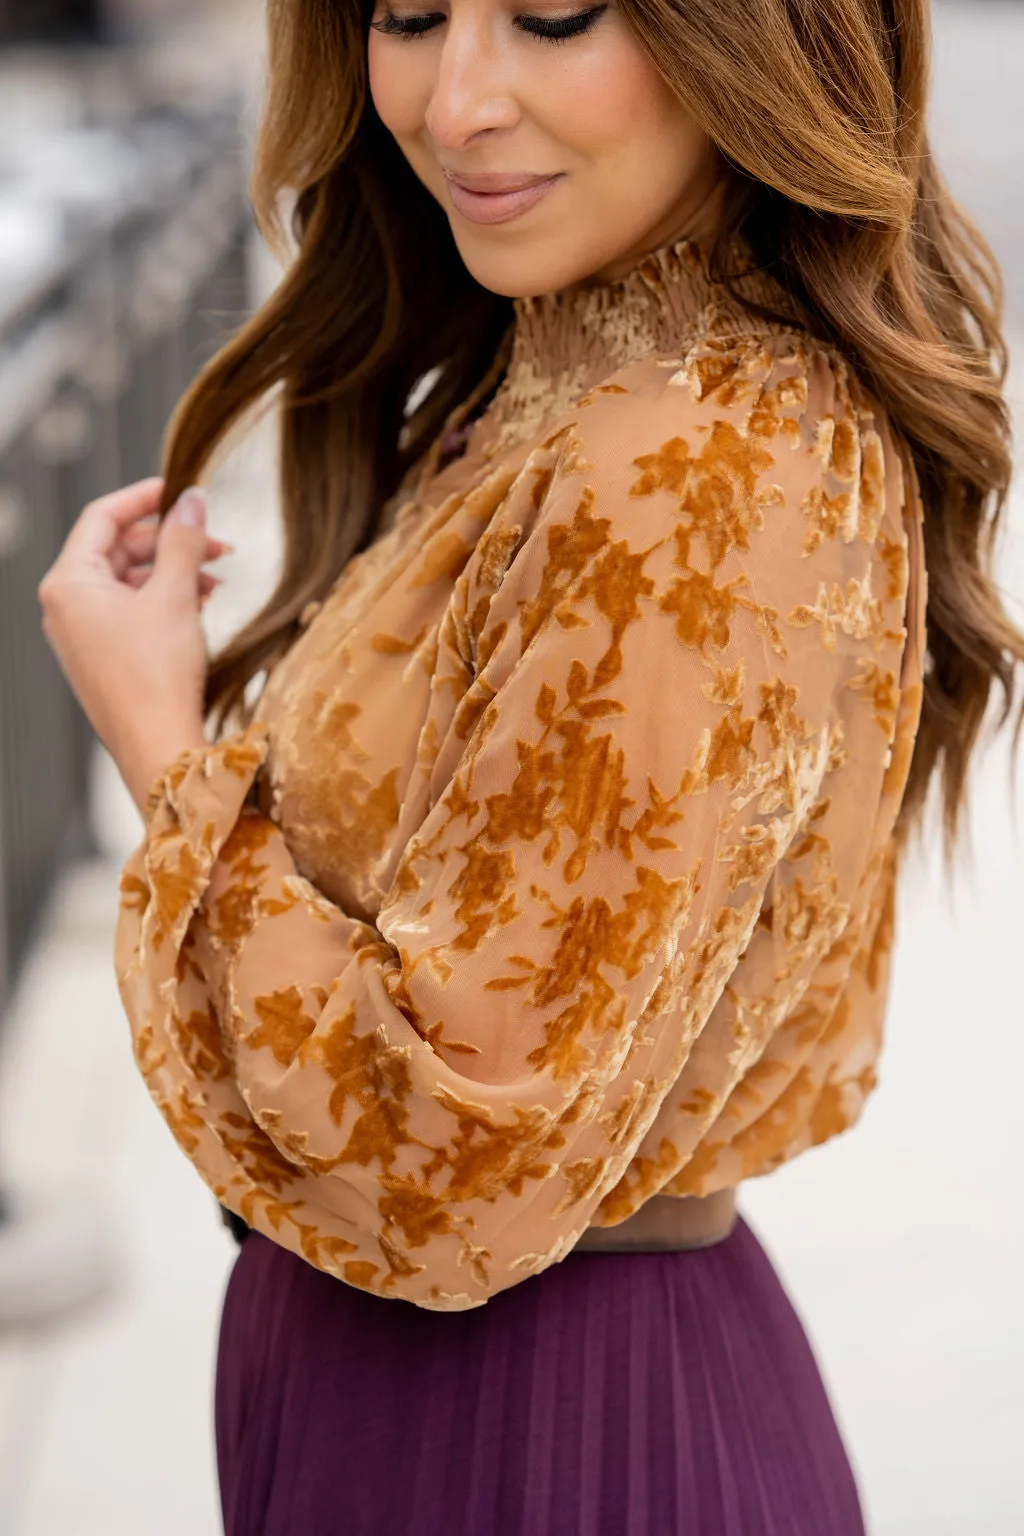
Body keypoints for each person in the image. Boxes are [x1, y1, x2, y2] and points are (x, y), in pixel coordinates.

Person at [36, 0, 1023, 1529]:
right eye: (411, 17)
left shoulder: (693, 468)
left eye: (554, 15)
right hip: (445, 1402)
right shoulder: (568, 373)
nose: (456, 103)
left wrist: (163, 744)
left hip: (534, 1433)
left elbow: (452, 1148)